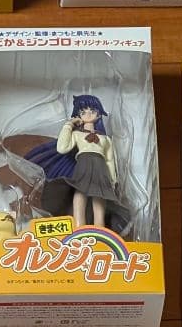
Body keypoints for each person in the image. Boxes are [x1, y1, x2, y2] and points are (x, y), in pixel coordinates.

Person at [25, 95, 128, 231]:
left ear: (99, 114)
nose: (88, 114)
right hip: (83, 163)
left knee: (100, 194)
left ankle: (100, 226)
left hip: (100, 166)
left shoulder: (105, 139)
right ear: (78, 115)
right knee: (80, 191)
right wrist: (69, 125)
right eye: (83, 112)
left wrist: (113, 180)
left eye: (93, 111)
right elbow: (62, 148)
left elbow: (109, 160)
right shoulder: (77, 134)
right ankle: (79, 224)